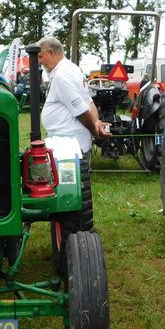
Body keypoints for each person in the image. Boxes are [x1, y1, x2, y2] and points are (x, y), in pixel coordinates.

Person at [36, 35, 110, 230]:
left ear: (51, 53)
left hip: (70, 146)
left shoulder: (61, 75)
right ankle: (78, 227)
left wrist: (94, 128)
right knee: (79, 189)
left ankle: (77, 232)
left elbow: (81, 110)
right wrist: (96, 123)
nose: (40, 61)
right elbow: (90, 102)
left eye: (41, 56)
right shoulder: (73, 69)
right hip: (71, 143)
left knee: (73, 193)